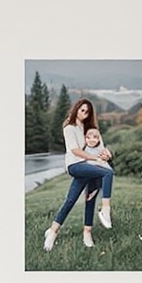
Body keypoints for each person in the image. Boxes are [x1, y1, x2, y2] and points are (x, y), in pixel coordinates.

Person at [43, 97, 112, 252]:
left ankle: (83, 232)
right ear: (76, 109)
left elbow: (101, 148)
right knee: (107, 173)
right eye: (82, 110)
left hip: (89, 166)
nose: (84, 114)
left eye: (87, 112)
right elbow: (74, 150)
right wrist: (95, 158)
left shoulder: (91, 129)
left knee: (77, 199)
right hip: (75, 165)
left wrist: (106, 154)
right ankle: (106, 210)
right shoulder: (69, 127)